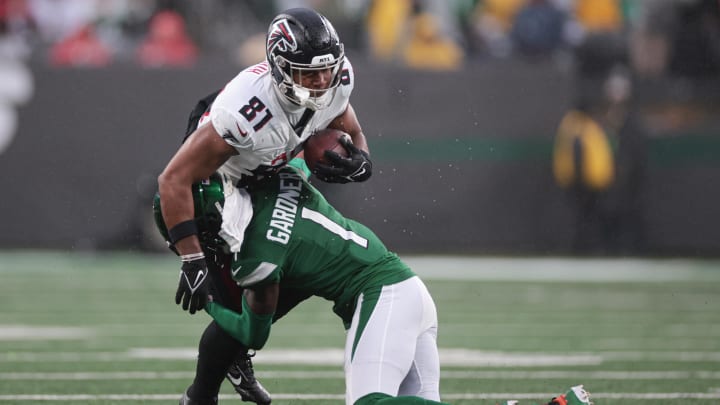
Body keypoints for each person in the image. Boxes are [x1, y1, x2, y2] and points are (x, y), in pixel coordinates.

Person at [156, 7, 373, 404]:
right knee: (258, 284)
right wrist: (191, 257)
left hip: (276, 169)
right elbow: (173, 180)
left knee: (301, 268)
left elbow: (351, 129)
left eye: (326, 70)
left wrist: (360, 159)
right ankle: (206, 389)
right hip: (226, 180)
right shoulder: (243, 111)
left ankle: (232, 355)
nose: (321, 80)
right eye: (308, 72)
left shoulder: (336, 77)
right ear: (279, 67)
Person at [186, 162, 449, 405]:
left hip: (384, 295)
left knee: (368, 403)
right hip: (407, 290)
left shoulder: (257, 258)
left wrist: (209, 302)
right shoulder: (281, 176)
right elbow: (301, 156)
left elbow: (253, 334)